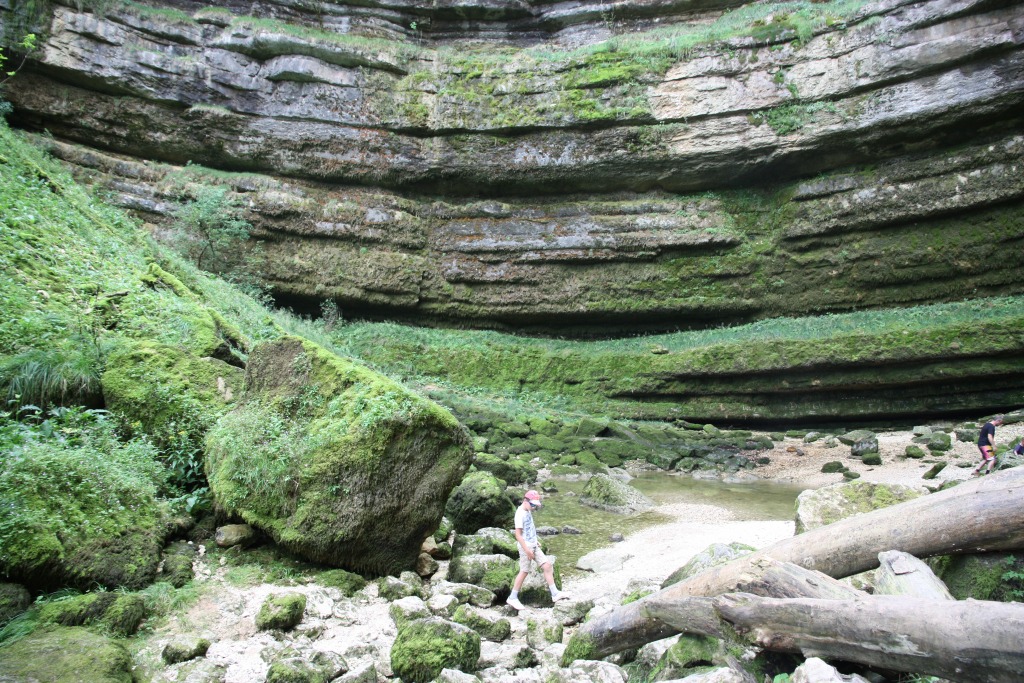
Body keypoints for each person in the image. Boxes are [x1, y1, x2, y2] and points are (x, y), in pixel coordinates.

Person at [506, 490, 568, 611]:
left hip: (533, 545)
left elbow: (530, 528)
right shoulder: (519, 514)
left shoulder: (528, 510)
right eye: (532, 505)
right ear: (525, 501)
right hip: (525, 547)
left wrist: (535, 540)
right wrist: (527, 550)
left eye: (535, 506)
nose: (534, 507)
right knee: (524, 571)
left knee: (547, 566)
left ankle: (555, 593)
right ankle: (512, 597)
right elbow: (518, 535)